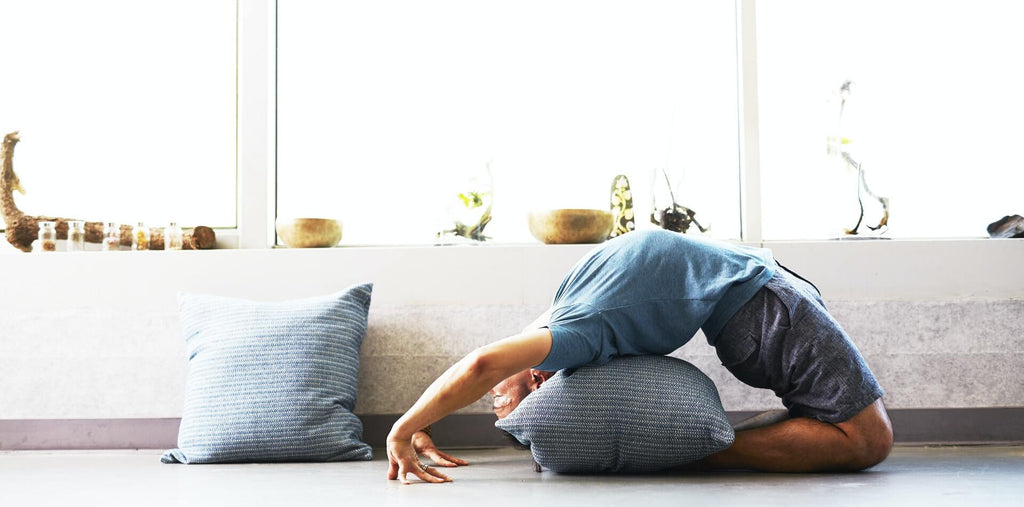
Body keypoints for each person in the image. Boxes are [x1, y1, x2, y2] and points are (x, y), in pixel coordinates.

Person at [386, 229, 893, 484]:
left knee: (863, 438)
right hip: (760, 301)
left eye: (498, 402)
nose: (494, 402)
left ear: (538, 379)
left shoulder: (572, 328)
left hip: (762, 302)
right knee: (866, 438)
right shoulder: (566, 310)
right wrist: (425, 419)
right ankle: (703, 450)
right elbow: (485, 367)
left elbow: (480, 365)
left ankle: (704, 452)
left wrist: (404, 426)